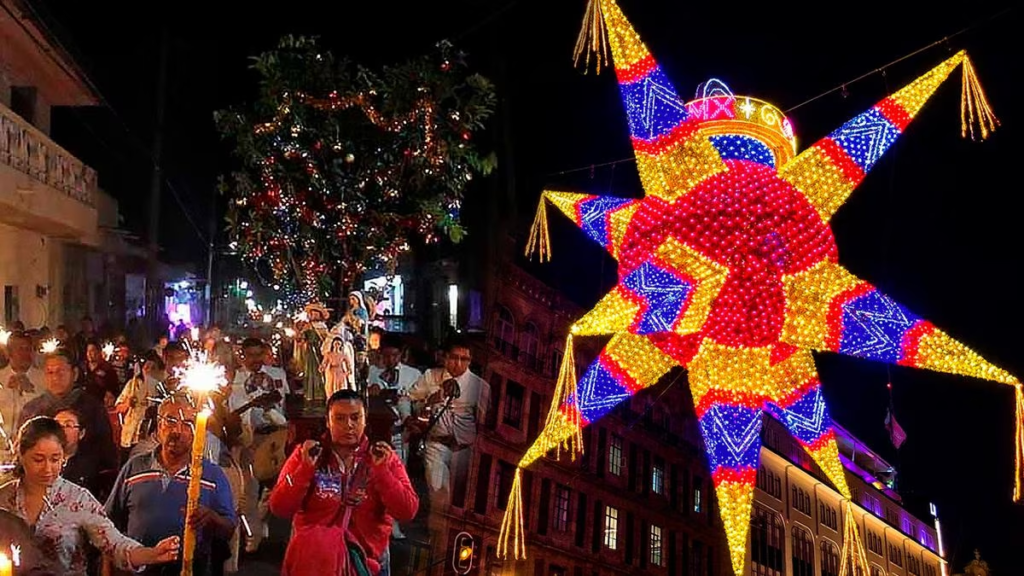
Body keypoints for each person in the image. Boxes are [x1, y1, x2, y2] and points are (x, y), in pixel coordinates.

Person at [0, 417, 179, 575]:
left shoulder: (77, 499)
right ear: (21, 455)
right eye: (38, 459)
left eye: (55, 459)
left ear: (64, 457)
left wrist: (152, 554)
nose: (47, 469)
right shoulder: (4, 498)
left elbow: (115, 544)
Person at [269, 390, 418, 576]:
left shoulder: (384, 458)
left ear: (365, 420)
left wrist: (382, 473)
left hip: (366, 562)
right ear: (327, 421)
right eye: (339, 418)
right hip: (316, 562)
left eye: (355, 417)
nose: (349, 425)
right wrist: (304, 470)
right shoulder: (306, 454)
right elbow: (279, 507)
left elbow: (407, 511)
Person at [105, 396, 237, 575]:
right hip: (137, 570)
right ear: (159, 427)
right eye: (170, 421)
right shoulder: (135, 467)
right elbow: (109, 521)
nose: (177, 430)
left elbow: (229, 529)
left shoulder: (212, 475)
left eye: (187, 423)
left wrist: (212, 518)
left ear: (198, 432)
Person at [406, 338, 490, 513]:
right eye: (454, 357)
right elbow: (409, 398)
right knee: (438, 492)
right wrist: (422, 407)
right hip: (436, 444)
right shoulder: (430, 377)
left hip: (465, 448)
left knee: (462, 497)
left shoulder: (479, 386)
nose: (458, 363)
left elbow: (486, 421)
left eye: (464, 359)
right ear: (445, 357)